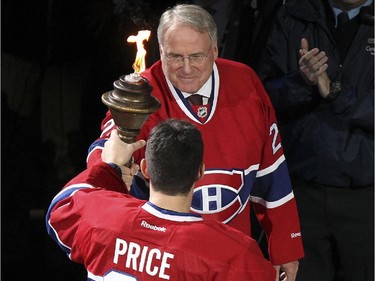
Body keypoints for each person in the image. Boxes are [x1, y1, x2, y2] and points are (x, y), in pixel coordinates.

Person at [87, 4, 304, 279]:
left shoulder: (245, 82)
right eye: (175, 57)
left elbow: (270, 170)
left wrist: (285, 245)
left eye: (196, 56)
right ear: (161, 52)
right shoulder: (137, 99)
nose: (186, 68)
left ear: (215, 50)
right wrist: (107, 160)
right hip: (165, 262)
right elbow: (103, 160)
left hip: (232, 259)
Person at [46, 119, 277, 280]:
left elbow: (63, 203)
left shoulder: (101, 218)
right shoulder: (233, 252)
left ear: (145, 169)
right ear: (200, 171)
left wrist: (109, 169)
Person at [257, 0, 374, 280]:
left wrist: (335, 92)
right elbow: (263, 98)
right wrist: (303, 81)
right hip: (300, 193)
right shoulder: (291, 14)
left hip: (366, 197)